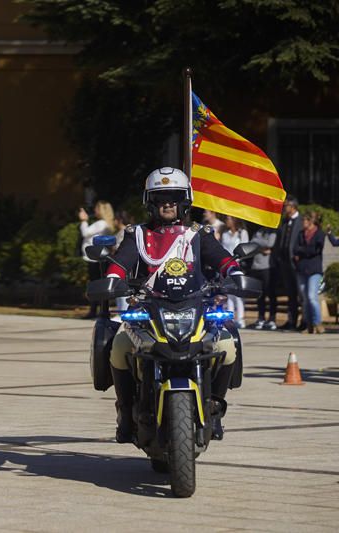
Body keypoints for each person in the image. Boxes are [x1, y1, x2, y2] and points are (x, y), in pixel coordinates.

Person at [106, 167, 241, 442]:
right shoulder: (138, 235)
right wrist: (111, 280)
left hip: (194, 306)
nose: (167, 203)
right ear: (150, 202)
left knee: (228, 345)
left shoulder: (198, 234)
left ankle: (214, 406)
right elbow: (120, 263)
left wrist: (235, 275)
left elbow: (222, 258)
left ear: (185, 200)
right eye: (160, 197)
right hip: (147, 309)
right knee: (118, 346)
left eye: (174, 197)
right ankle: (126, 410)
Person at [79, 201, 115, 318]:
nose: (95, 211)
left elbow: (85, 233)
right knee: (100, 284)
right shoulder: (105, 224)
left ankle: (94, 310)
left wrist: (84, 220)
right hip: (99, 257)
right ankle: (99, 310)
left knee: (95, 285)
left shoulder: (101, 223)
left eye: (97, 208)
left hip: (95, 258)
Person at [271, 196, 302, 330]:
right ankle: (292, 320)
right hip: (284, 263)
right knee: (290, 294)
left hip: (297, 263)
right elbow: (280, 240)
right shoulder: (285, 222)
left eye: (286, 206)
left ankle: (304, 321)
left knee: (301, 294)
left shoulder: (301, 222)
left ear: (293, 206)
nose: (284, 208)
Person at [293, 211, 326, 334]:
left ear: (311, 222)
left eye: (304, 221)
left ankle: (317, 323)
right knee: (304, 299)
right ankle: (308, 324)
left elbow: (315, 250)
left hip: (314, 270)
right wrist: (303, 251)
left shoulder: (319, 234)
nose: (303, 223)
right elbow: (295, 248)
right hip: (301, 269)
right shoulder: (301, 234)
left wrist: (302, 251)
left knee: (312, 297)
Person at [220, 216, 249, 328]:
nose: (227, 221)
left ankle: (241, 318)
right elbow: (223, 249)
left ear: (235, 221)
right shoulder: (225, 234)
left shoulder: (242, 233)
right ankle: (230, 318)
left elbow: (245, 249)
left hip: (238, 265)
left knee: (238, 294)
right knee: (229, 292)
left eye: (229, 219)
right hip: (227, 266)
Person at [248, 226, 277, 330]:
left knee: (270, 293)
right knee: (260, 295)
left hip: (267, 267)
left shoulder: (272, 232)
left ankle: (272, 318)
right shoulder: (258, 231)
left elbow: (270, 244)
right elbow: (251, 243)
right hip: (256, 266)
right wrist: (261, 248)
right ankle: (261, 318)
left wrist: (258, 246)